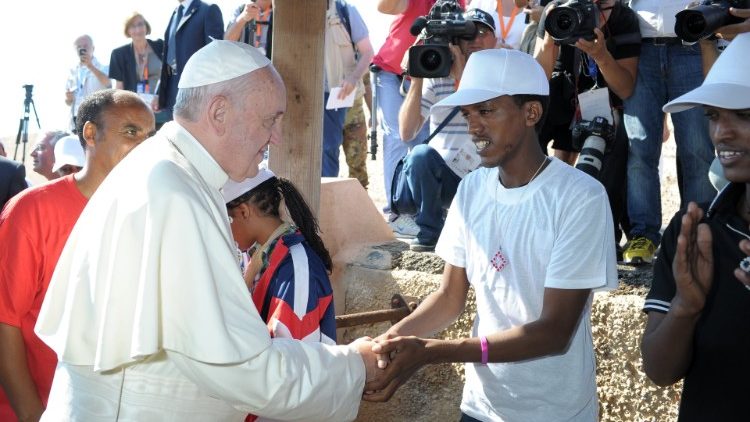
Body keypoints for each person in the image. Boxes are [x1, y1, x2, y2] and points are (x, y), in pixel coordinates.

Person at [34, 40, 378, 421]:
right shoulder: (175, 189)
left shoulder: (169, 171)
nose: (276, 137)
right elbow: (243, 369)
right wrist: (355, 365)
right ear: (219, 113)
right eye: (270, 120)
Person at [364, 48, 618, 421]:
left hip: (554, 412)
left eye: (486, 111)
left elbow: (554, 332)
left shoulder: (580, 197)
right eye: (468, 114)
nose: (473, 127)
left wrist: (433, 350)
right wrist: (388, 343)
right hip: (482, 407)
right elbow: (450, 297)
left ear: (531, 113)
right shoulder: (472, 189)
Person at [0, 89, 155, 422]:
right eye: (131, 131)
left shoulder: (150, 214)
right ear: (90, 134)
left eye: (150, 136)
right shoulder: (32, 210)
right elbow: (4, 320)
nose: (144, 146)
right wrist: (33, 415)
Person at [640, 33, 750, 421]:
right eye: (714, 115)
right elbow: (659, 371)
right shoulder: (693, 229)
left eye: (744, 115)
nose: (722, 132)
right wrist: (685, 307)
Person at [223, 169, 338, 422]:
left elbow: (294, 364)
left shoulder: (296, 265)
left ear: (243, 212)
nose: (224, 230)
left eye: (226, 219)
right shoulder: (259, 256)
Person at [534, 0, 640, 254]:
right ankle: (533, 218)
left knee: (616, 142)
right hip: (562, 98)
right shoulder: (558, 10)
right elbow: (535, 79)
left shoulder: (622, 18)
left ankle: (603, 232)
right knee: (527, 126)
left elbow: (625, 88)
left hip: (606, 104)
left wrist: (601, 55)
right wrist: (550, 40)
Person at [622, 0, 717, 264]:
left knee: (697, 148)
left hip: (692, 43)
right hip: (639, 48)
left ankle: (696, 232)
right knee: (639, 147)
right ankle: (643, 233)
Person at [393, 8, 493, 251]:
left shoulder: (497, 76)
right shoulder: (437, 76)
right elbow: (407, 133)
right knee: (419, 154)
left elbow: (484, 125)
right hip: (444, 178)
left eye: (482, 33)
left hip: (484, 177)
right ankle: (430, 232)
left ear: (495, 39)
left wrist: (461, 77)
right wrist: (416, 78)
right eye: (469, 35)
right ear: (457, 41)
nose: (476, 40)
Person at [372, 0, 452, 218]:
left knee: (423, 140)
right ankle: (396, 211)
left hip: (429, 74)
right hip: (392, 72)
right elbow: (385, 7)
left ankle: (422, 211)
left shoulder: (457, 3)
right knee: (397, 138)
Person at [322, 0, 374, 178]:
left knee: (357, 161)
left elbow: (367, 52)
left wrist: (353, 78)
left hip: (350, 99)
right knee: (327, 155)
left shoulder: (346, 11)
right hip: (322, 103)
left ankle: (359, 202)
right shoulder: (301, 16)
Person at [158, 0, 224, 120]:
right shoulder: (175, 13)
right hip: (170, 92)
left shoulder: (208, 10)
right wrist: (159, 92)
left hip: (196, 95)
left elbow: (215, 56)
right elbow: (168, 58)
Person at [109, 12, 170, 127]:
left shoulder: (161, 46)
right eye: (133, 26)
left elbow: (170, 75)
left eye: (140, 24)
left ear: (146, 27)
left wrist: (160, 97)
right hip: (135, 113)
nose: (138, 29)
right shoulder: (119, 54)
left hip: (161, 109)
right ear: (128, 31)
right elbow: (119, 89)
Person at [65, 35, 111, 132]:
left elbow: (108, 84)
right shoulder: (72, 72)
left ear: (93, 48)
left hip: (96, 121)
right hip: (75, 122)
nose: (82, 48)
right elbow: (68, 102)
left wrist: (90, 66)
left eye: (85, 46)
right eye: (79, 47)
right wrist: (69, 99)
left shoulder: (104, 68)